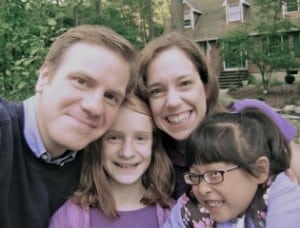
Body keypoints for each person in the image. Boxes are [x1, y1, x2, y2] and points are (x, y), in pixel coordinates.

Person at [0, 24, 137, 228]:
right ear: (44, 77)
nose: (94, 107)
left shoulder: (101, 162)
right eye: (81, 81)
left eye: (110, 97)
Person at [136, 32, 299, 198]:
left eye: (185, 83)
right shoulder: (143, 160)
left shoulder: (253, 118)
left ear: (206, 87)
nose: (173, 102)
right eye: (157, 91)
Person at [48, 95, 175, 228]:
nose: (127, 153)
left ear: (153, 145)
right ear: (98, 144)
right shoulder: (68, 218)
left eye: (141, 138)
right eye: (114, 138)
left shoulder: (176, 214)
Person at [164, 108, 300, 227]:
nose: (202, 189)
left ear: (259, 170)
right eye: (195, 176)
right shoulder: (189, 209)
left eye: (214, 174)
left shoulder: (281, 196)